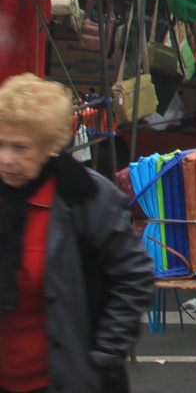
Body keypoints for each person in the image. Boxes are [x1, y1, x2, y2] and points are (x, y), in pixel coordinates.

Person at [0, 74, 151, 393]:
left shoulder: (86, 197)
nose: (6, 159)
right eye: (0, 144)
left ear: (49, 148)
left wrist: (105, 353)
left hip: (63, 380)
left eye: (20, 148)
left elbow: (133, 276)